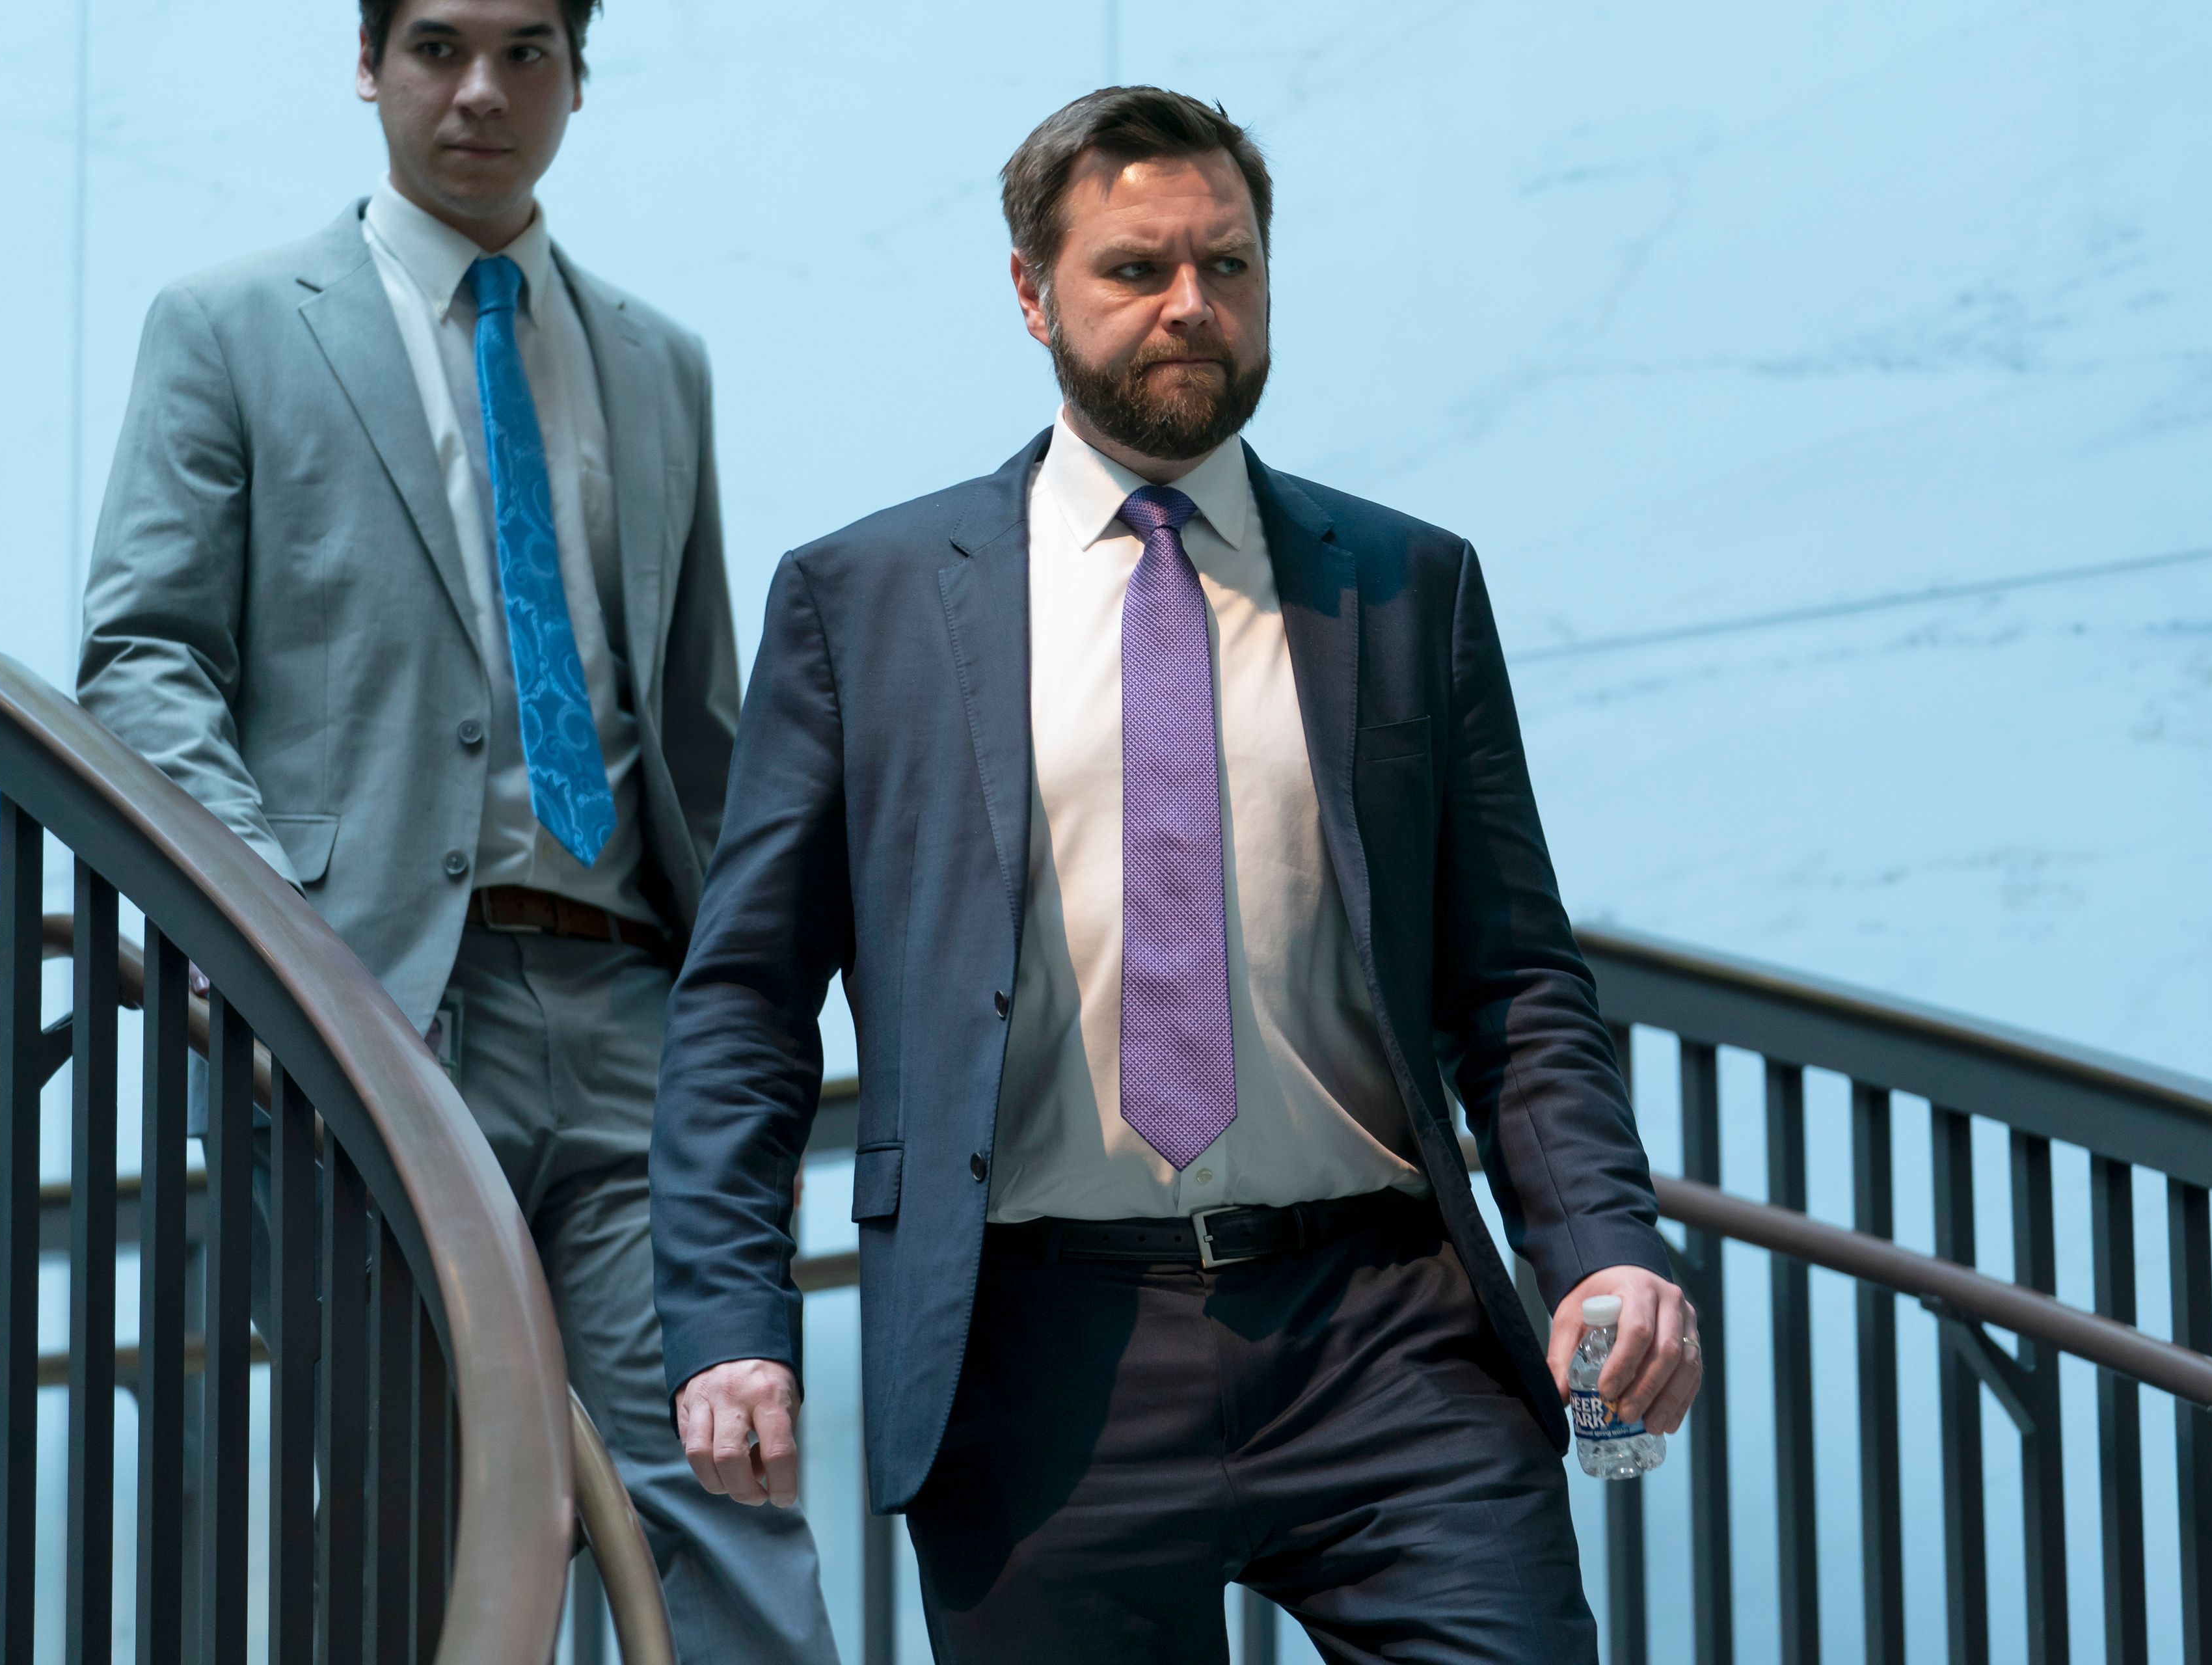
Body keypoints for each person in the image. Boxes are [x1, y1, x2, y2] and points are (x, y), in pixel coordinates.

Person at [651, 86, 1703, 1662]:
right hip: (1034, 1354)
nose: (1191, 307)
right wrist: (733, 1327)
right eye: (1137, 268)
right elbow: (743, 998)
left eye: (1228, 263)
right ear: (1032, 293)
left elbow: (1514, 979)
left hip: (1383, 1331)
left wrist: (1605, 1238)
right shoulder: (860, 602)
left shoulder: (1409, 586)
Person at [75, 1, 836, 1657]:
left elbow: (693, 714)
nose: (479, 89)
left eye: (524, 51)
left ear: (577, 73)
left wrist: (762, 980)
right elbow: (141, 654)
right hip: (371, 1011)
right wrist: (276, 936)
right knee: (416, 1494)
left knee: (720, 1473)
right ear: (369, 64)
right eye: (435, 45)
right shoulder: (230, 328)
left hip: (642, 1008)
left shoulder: (659, 357)